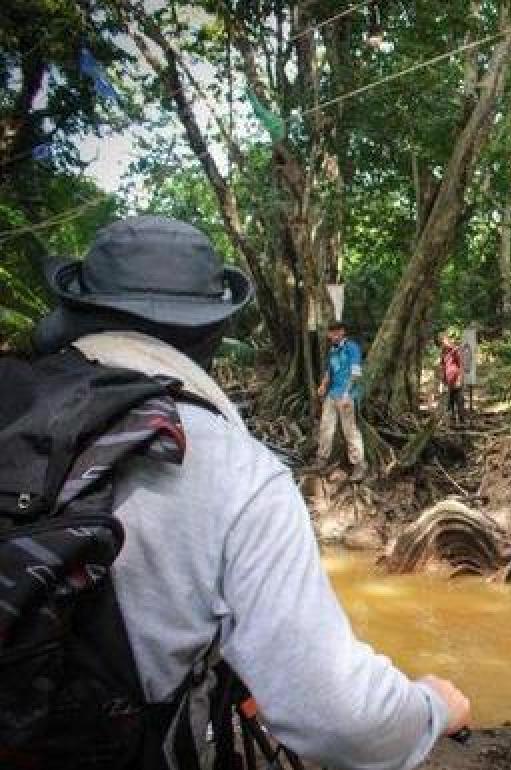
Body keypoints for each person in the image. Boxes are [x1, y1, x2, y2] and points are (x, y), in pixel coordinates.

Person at [32, 215, 470, 769]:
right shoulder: (237, 471)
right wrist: (430, 706)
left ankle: (355, 470)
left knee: (349, 439)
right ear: (213, 331)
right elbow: (340, 716)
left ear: (78, 312)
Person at [314, 321, 367, 481]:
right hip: (332, 394)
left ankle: (359, 465)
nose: (334, 335)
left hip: (346, 395)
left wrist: (346, 393)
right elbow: (329, 371)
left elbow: (356, 373)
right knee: (325, 427)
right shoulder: (332, 350)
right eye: (331, 332)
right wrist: (323, 385)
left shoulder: (351, 347)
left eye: (337, 332)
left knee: (349, 430)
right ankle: (321, 460)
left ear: (343, 332)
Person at [439, 331, 466, 426]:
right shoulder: (443, 352)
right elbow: (442, 367)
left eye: (444, 340)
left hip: (456, 381)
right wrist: (442, 381)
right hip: (448, 381)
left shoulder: (455, 350)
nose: (443, 343)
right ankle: (452, 422)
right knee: (449, 403)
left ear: (448, 340)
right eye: (442, 341)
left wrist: (459, 379)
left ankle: (462, 422)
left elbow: (461, 365)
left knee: (459, 401)